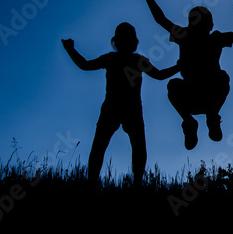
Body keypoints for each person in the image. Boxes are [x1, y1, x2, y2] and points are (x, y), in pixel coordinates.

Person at [140, 0, 233, 150]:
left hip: (198, 95)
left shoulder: (186, 35)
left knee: (184, 83)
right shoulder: (212, 38)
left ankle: (197, 118)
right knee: (219, 78)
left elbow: (161, 19)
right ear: (210, 24)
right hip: (202, 95)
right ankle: (197, 119)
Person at [62, 22, 178, 186]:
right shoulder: (132, 59)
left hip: (117, 108)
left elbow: (85, 65)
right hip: (126, 109)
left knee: (103, 147)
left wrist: (70, 50)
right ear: (133, 41)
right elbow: (159, 75)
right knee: (130, 148)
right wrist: (179, 66)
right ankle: (132, 184)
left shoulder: (117, 58)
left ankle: (94, 183)